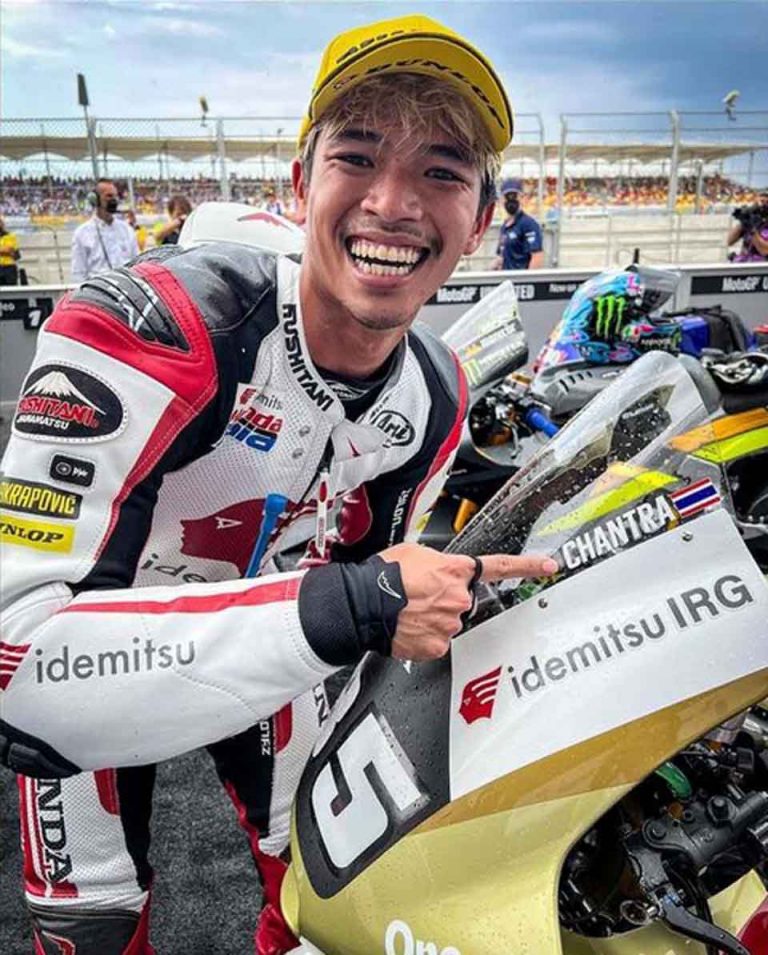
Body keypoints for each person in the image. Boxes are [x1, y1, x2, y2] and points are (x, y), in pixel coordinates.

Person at [0, 14, 555, 955]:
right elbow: (18, 665)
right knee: (90, 927)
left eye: (442, 171)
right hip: (94, 653)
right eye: (357, 157)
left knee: (332, 897)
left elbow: (376, 605)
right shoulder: (146, 328)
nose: (393, 203)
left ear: (481, 221)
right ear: (301, 184)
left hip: (279, 647)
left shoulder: (438, 391)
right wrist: (356, 602)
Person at [70, 179, 140, 282]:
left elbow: (137, 265)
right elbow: (78, 273)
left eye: (116, 196)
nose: (114, 200)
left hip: (125, 286)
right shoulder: (82, 234)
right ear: (96, 200)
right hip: (97, 288)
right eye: (109, 196)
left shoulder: (127, 230)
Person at [492, 177, 544, 270]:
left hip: (520, 277)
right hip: (506, 277)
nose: (511, 200)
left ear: (521, 198)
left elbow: (536, 257)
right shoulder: (505, 226)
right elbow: (501, 256)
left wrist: (528, 278)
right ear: (502, 199)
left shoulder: (528, 224)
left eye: (514, 196)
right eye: (507, 196)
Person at [727, 189, 768, 261]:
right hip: (744, 263)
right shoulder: (753, 218)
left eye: (767, 202)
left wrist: (752, 231)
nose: (764, 204)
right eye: (762, 201)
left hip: (761, 265)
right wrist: (743, 221)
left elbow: (765, 251)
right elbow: (729, 241)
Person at [0, 214, 21, 285]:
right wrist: (5, 250)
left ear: (2, 224)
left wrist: (9, 251)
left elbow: (16, 255)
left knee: (12, 290)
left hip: (9, 269)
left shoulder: (11, 236)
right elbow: (6, 250)